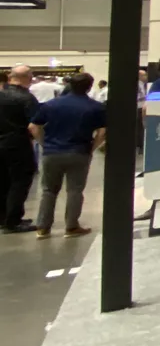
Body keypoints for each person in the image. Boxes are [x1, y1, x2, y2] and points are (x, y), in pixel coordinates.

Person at [28, 71, 104, 238]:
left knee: (48, 190)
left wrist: (44, 143)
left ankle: (43, 227)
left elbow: (33, 127)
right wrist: (92, 147)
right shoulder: (96, 107)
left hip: (52, 152)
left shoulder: (50, 105)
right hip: (79, 151)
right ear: (89, 87)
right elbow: (103, 131)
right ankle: (71, 226)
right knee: (75, 190)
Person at [0, 65, 39, 233]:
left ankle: (3, 217)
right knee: (20, 181)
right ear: (28, 78)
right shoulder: (27, 98)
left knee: (3, 181)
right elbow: (34, 124)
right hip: (18, 144)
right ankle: (13, 221)